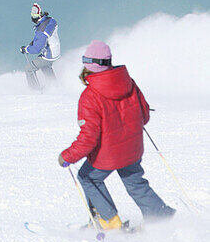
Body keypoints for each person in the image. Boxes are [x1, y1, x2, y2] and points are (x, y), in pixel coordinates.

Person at [58, 41, 175, 230]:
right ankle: (160, 217)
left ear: (88, 65)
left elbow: (89, 138)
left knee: (88, 177)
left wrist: (67, 156)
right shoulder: (129, 82)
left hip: (108, 154)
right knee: (135, 182)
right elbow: (144, 115)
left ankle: (108, 222)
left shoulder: (90, 96)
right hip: (132, 149)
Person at [20, 2, 60, 89]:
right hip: (55, 51)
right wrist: (34, 42)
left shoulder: (41, 30)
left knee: (29, 69)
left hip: (49, 55)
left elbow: (36, 49)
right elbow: (43, 38)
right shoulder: (50, 20)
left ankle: (35, 90)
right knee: (44, 66)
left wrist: (26, 49)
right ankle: (54, 85)